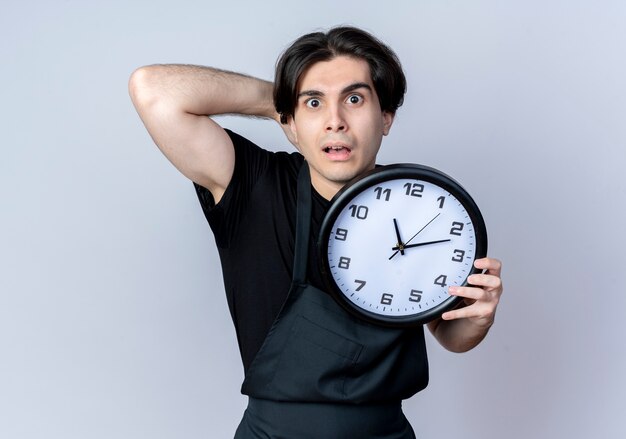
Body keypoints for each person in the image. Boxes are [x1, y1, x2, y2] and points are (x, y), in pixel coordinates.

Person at [129, 26, 503, 438]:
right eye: (314, 103)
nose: (335, 121)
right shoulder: (254, 185)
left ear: (386, 118)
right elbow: (153, 89)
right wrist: (280, 101)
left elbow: (450, 332)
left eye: (354, 99)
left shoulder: (421, 204)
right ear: (289, 123)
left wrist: (478, 319)